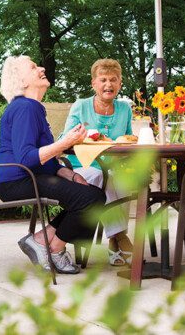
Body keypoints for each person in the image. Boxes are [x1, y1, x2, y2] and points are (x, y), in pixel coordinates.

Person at [0, 55, 106, 275]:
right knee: (91, 198)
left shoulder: (33, 107)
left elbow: (46, 162)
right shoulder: (25, 108)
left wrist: (71, 175)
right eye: (34, 67)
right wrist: (65, 143)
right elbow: (26, 158)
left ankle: (40, 240)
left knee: (90, 194)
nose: (42, 68)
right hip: (17, 181)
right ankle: (54, 249)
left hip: (30, 176)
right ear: (22, 81)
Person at [61, 59, 134, 266]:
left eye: (113, 80)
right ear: (94, 83)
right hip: (80, 167)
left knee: (122, 179)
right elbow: (66, 139)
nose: (108, 85)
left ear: (120, 83)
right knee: (102, 177)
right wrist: (88, 135)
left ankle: (113, 239)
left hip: (112, 167)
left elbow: (127, 139)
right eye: (103, 80)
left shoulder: (124, 109)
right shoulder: (81, 106)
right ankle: (120, 236)